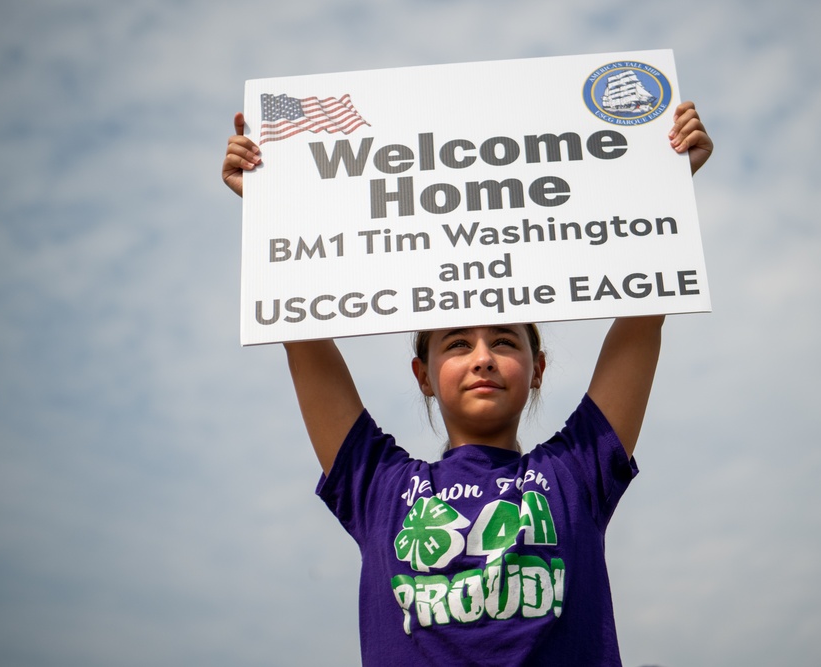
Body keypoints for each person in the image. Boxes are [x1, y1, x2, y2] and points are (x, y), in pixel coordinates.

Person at [223, 101, 712, 666]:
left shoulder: (576, 473)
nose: (482, 357)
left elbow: (644, 316)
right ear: (423, 376)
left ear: (538, 369)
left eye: (504, 341)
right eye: (457, 343)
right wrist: (268, 206)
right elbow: (301, 333)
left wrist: (669, 185)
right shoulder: (379, 489)